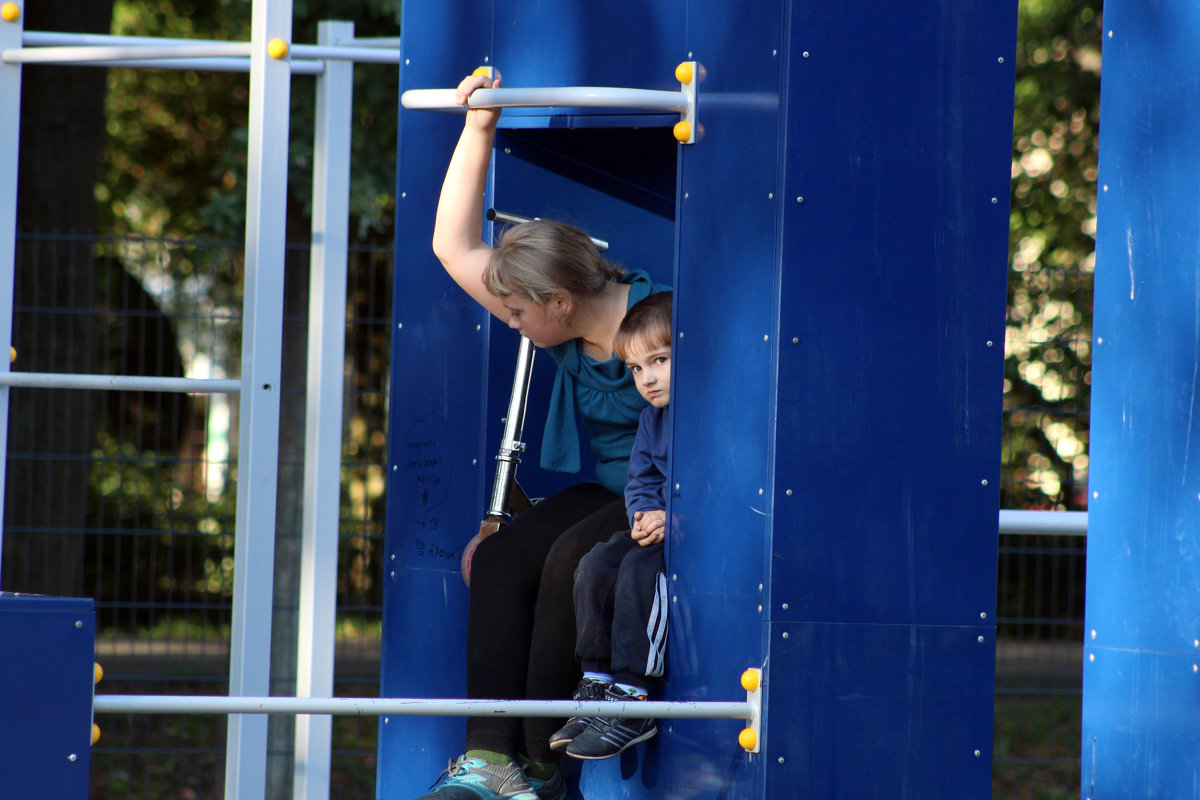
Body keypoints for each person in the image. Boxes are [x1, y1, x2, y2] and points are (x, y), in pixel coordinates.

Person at [416, 69, 670, 800]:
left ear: (557, 301)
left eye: (520, 314)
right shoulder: (564, 330)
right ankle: (488, 762)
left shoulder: (656, 322)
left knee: (568, 557)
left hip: (655, 494)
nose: (514, 325)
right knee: (500, 559)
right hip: (608, 489)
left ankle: (538, 768)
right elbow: (450, 246)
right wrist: (478, 129)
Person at [549, 291, 673, 761]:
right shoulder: (649, 420)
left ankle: (633, 697)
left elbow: (718, 487)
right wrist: (642, 515)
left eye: (659, 360)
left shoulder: (707, 417)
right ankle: (597, 683)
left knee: (639, 573)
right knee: (595, 564)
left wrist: (673, 518)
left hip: (690, 533)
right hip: (653, 527)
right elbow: (639, 480)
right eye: (637, 369)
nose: (647, 378)